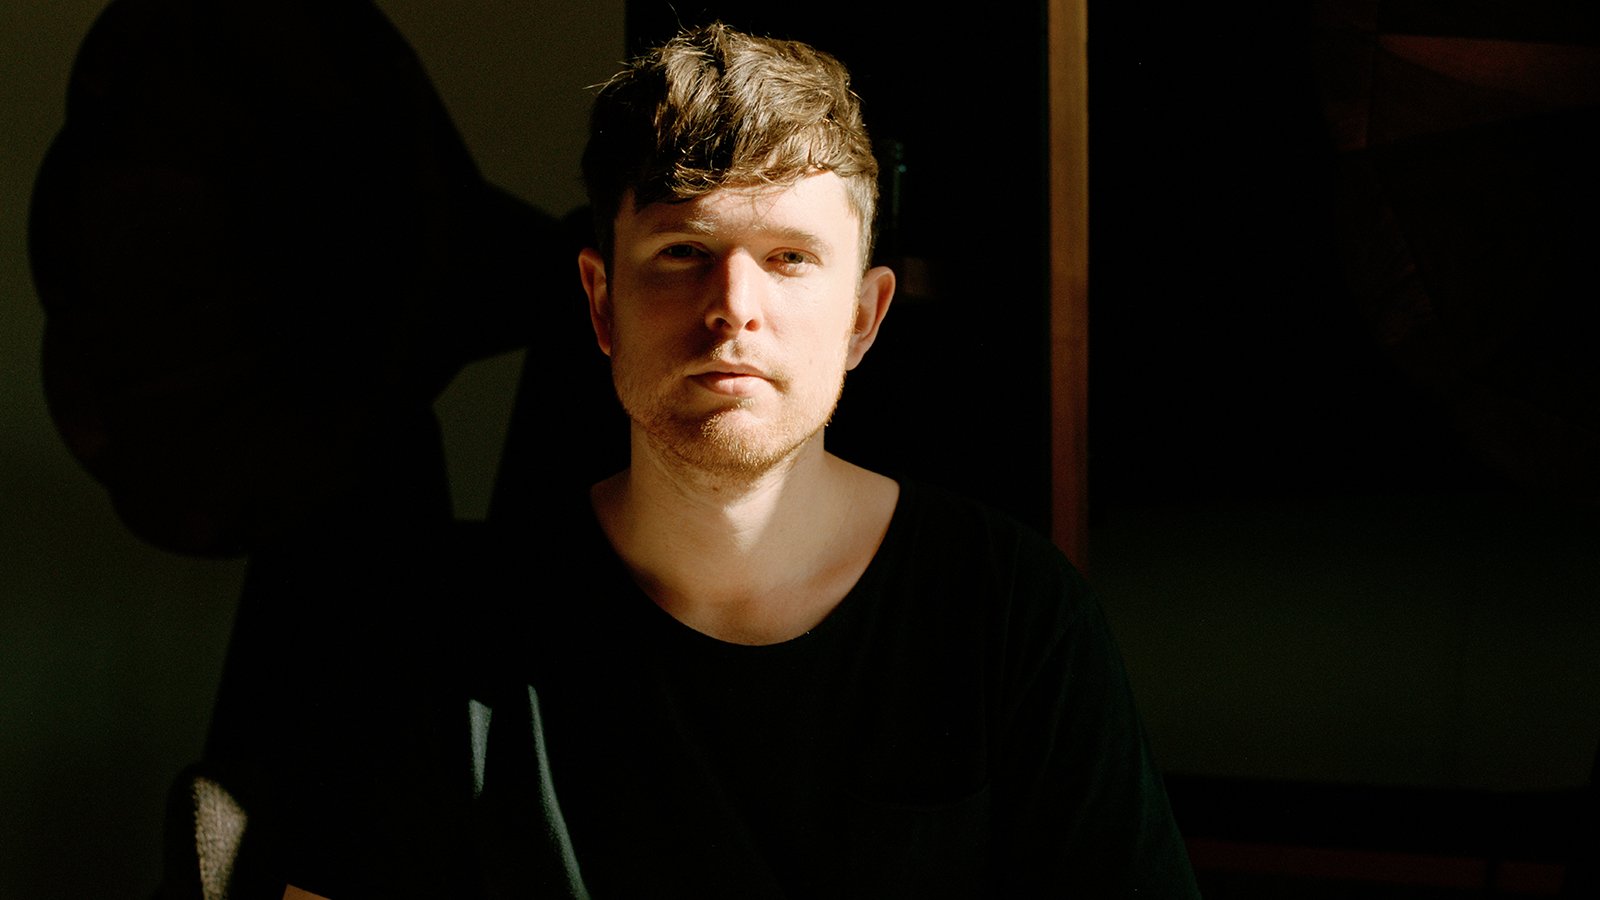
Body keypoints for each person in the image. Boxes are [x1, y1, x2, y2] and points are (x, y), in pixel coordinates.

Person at [497, 21, 1201, 897]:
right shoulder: (461, 634)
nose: (734, 308)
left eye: (789, 258)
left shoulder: (1008, 615)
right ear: (602, 303)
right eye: (683, 252)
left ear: (865, 318)